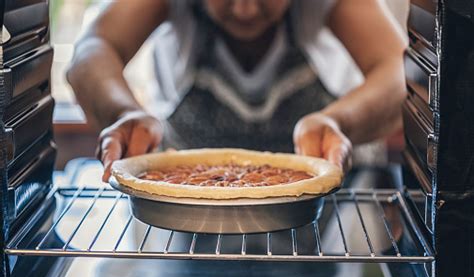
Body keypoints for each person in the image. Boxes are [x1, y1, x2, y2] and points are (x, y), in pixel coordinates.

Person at [67, 0, 407, 182]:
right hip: (186, 218)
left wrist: (338, 122)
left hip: (328, 220)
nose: (245, 8)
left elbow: (398, 72)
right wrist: (124, 112)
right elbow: (92, 50)